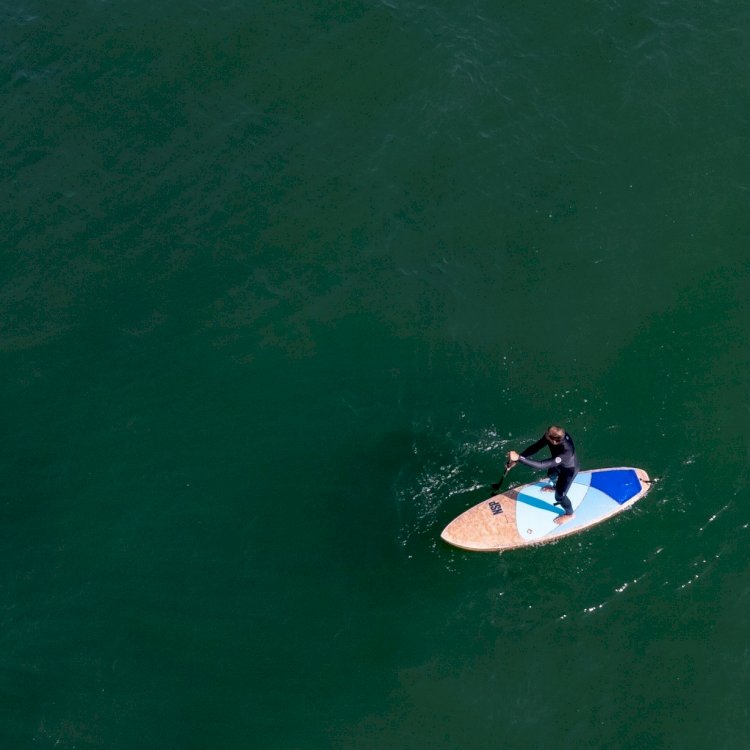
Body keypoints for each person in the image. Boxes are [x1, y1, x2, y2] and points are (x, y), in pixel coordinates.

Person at [508, 425, 579, 525]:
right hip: (557, 464)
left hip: (568, 471)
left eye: (547, 435)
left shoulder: (566, 451)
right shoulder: (553, 436)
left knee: (559, 497)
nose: (545, 435)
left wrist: (519, 458)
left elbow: (541, 465)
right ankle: (555, 487)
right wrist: (517, 460)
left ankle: (570, 514)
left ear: (554, 441)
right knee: (551, 475)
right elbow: (536, 447)